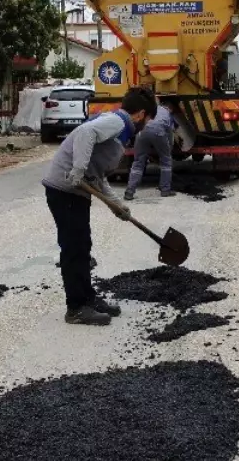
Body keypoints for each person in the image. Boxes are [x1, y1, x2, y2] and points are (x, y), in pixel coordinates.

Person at [42, 86, 157, 326]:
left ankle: (88, 299)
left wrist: (117, 205)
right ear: (140, 114)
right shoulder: (117, 122)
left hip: (75, 189)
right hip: (65, 189)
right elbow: (85, 133)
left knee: (83, 245)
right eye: (147, 120)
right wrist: (78, 169)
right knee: (74, 249)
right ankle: (76, 309)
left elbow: (98, 175)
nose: (145, 126)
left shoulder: (117, 127)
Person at [124, 99, 176, 200]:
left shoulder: (149, 109)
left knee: (138, 162)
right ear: (169, 108)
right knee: (166, 161)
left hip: (142, 132)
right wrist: (168, 149)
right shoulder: (167, 113)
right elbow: (169, 133)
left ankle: (129, 191)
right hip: (159, 133)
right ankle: (165, 190)